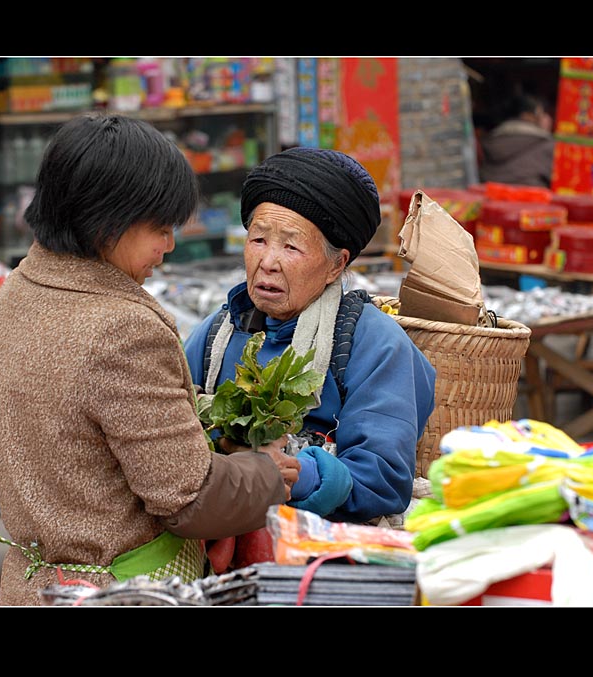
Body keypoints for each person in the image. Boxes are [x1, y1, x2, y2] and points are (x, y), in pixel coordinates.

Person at [0, 113, 300, 606]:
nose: (169, 246)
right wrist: (268, 473)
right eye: (160, 227)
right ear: (107, 220)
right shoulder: (121, 328)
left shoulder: (19, 290)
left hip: (33, 585)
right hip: (119, 590)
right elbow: (187, 497)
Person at [184, 147, 437, 539]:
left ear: (337, 265)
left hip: (321, 545)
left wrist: (297, 473)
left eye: (290, 246)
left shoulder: (375, 344)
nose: (268, 261)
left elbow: (384, 480)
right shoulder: (217, 334)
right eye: (258, 240)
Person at [478, 93, 555, 188]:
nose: (547, 118)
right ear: (527, 116)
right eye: (541, 114)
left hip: (489, 198)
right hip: (532, 199)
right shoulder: (548, 145)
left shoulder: (490, 141)